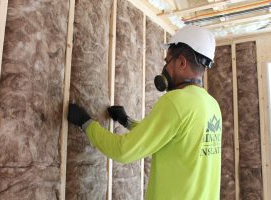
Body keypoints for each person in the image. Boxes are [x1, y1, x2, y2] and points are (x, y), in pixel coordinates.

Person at [68, 25, 222, 200]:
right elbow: (166, 138)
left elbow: (123, 151)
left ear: (181, 62)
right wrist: (127, 121)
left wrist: (86, 123)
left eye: (167, 62)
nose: (165, 68)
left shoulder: (176, 101)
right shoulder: (212, 106)